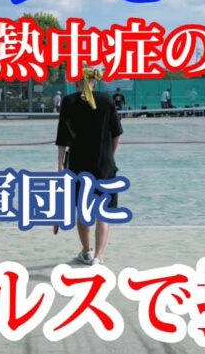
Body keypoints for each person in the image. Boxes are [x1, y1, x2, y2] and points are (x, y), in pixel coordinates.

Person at [56, 69, 123, 266]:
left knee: (83, 211)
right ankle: (99, 257)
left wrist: (60, 165)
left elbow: (62, 137)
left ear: (76, 81)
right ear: (96, 81)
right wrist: (109, 156)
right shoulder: (107, 100)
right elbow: (116, 133)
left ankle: (86, 252)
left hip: (78, 165)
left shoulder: (69, 102)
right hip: (105, 166)